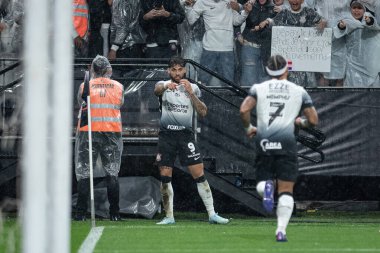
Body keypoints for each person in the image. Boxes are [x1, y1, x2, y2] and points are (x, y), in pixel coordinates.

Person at [239, 54, 318, 242]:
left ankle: (266, 188)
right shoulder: (298, 90)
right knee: (285, 191)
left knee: (263, 182)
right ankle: (281, 230)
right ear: (286, 70)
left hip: (264, 141)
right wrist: (301, 122)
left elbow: (243, 110)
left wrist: (249, 127)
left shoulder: (259, 88)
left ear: (267, 71)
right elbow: (313, 120)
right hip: (287, 143)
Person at [154, 56, 229, 225]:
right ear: (168, 71)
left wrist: (190, 93)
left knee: (199, 174)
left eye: (180, 69)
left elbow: (203, 112)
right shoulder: (163, 85)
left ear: (185, 70)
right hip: (167, 136)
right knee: (165, 176)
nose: (177, 73)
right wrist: (166, 85)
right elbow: (157, 90)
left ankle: (212, 214)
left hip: (185, 135)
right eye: (173, 70)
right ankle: (169, 216)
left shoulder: (193, 87)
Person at [74, 55, 124, 221]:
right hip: (111, 133)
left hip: (89, 132)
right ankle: (115, 213)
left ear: (93, 69)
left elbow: (79, 103)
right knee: (112, 173)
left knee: (84, 172)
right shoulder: (118, 86)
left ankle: (80, 213)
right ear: (108, 69)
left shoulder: (85, 86)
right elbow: (120, 104)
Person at [184, 0, 252, 86]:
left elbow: (236, 21)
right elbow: (191, 19)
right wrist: (188, 6)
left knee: (228, 83)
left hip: (227, 49)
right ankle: (203, 99)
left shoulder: (230, 2)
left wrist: (246, 12)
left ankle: (227, 98)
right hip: (209, 48)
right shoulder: (202, 2)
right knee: (203, 82)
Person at [333, 0, 380, 87]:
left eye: (359, 8)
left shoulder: (368, 17)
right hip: (353, 64)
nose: (356, 10)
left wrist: (369, 21)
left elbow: (373, 24)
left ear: (364, 9)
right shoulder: (347, 20)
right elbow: (338, 31)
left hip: (368, 64)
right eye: (354, 8)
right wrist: (341, 26)